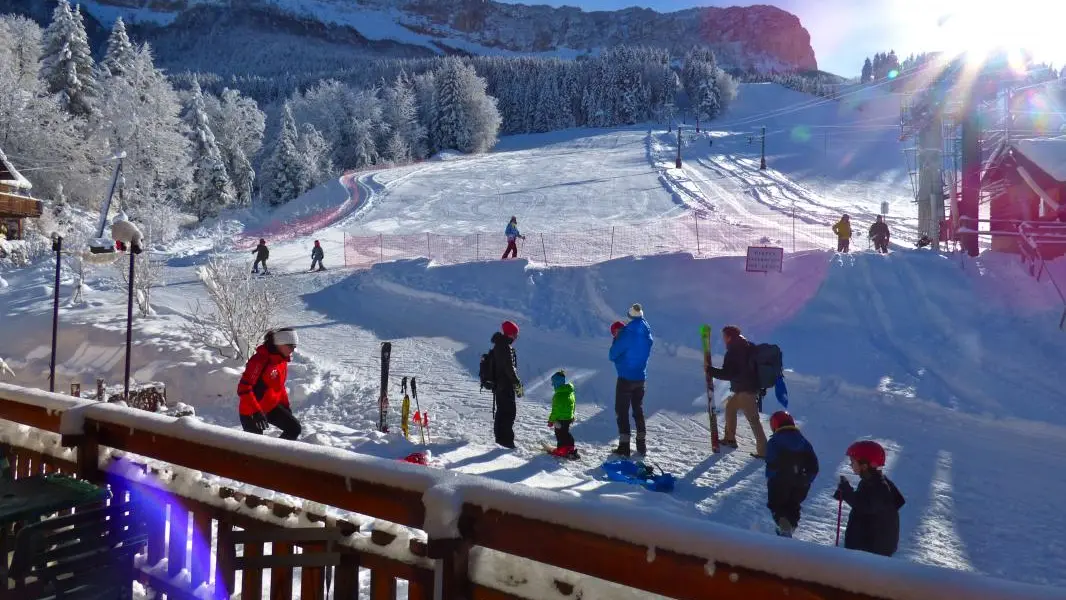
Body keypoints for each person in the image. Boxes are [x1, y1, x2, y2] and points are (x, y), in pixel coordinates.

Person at [705, 325, 768, 458]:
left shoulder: (734, 351)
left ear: (728, 336)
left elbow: (728, 373)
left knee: (753, 421)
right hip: (746, 388)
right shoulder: (748, 346)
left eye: (724, 336)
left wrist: (710, 370)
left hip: (746, 391)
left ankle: (764, 451)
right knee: (730, 407)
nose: (723, 339)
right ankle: (730, 439)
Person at [834, 440, 906, 556]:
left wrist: (847, 493)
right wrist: (847, 494)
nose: (850, 464)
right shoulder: (873, 482)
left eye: (853, 461)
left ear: (864, 465)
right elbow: (865, 503)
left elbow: (866, 506)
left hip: (870, 552)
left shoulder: (880, 486)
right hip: (867, 549)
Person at [237, 327, 302, 440]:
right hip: (251, 411)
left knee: (294, 428)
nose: (293, 350)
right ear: (280, 344)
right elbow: (244, 388)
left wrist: (286, 407)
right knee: (255, 447)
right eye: (291, 346)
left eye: (295, 346)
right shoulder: (259, 360)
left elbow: (279, 387)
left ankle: (276, 454)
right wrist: (256, 411)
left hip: (270, 407)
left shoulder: (281, 361)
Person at [764, 411, 819, 537]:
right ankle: (791, 527)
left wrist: (771, 477)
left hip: (780, 482)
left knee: (777, 505)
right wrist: (807, 479)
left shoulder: (774, 441)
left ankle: (784, 527)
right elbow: (814, 463)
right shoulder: (803, 441)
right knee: (793, 505)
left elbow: (771, 461)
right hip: (801, 483)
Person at [609, 304, 653, 457]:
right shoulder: (647, 333)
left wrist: (616, 340)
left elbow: (612, 355)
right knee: (638, 410)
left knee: (621, 411)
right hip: (641, 377)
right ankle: (641, 445)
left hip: (626, 378)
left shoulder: (627, 333)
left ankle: (624, 447)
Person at [490, 320, 523, 448]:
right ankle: (506, 442)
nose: (516, 337)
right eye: (515, 334)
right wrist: (517, 384)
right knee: (509, 413)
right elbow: (509, 368)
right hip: (505, 386)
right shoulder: (504, 347)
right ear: (510, 334)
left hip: (499, 386)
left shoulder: (499, 345)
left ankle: (501, 440)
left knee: (502, 412)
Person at [547, 370, 579, 459]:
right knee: (566, 433)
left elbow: (555, 411)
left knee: (559, 434)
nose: (552, 385)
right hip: (568, 418)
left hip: (559, 420)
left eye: (553, 383)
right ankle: (571, 448)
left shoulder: (557, 396)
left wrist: (551, 420)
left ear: (556, 383)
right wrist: (572, 415)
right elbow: (573, 405)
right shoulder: (570, 392)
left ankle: (561, 450)